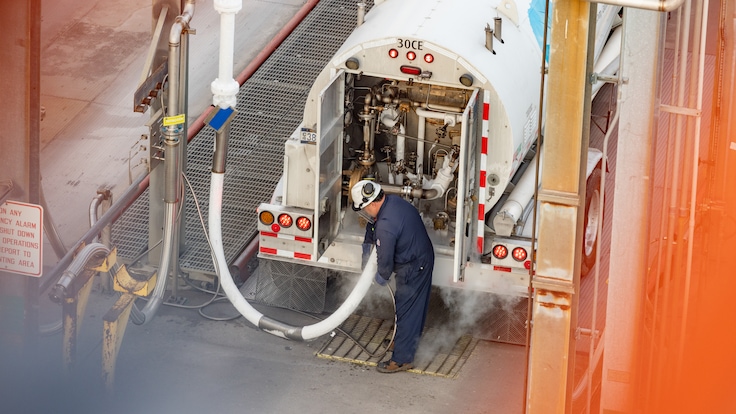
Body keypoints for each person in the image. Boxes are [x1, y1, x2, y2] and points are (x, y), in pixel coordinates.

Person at [351, 179, 434, 373]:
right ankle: (404, 341)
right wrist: (367, 243)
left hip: (414, 265)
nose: (365, 213)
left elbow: (385, 260)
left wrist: (381, 277)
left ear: (372, 203)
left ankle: (402, 359)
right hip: (418, 258)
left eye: (364, 208)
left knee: (407, 309)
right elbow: (373, 226)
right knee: (409, 307)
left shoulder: (386, 225)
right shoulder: (393, 203)